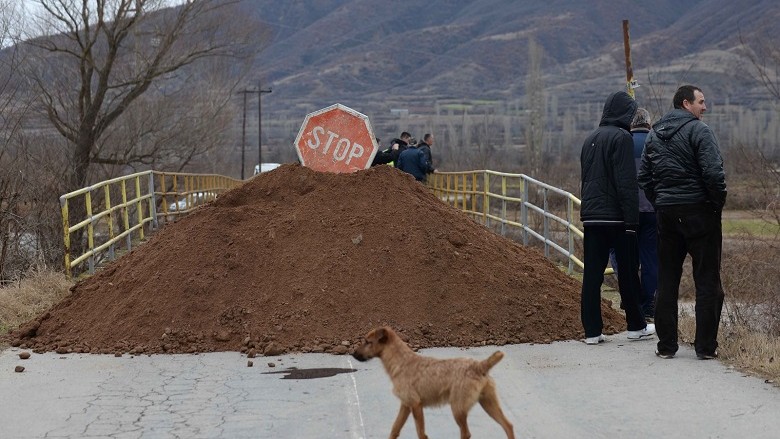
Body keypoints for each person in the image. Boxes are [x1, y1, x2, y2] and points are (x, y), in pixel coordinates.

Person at [638, 85, 727, 360]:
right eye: (701, 101)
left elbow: (645, 179)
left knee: (667, 280)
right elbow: (714, 174)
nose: (705, 107)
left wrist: (661, 202)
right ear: (686, 103)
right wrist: (715, 205)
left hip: (666, 215)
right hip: (700, 213)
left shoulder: (654, 136)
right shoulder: (700, 131)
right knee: (707, 281)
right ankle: (705, 348)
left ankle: (666, 347)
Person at [579, 90, 655, 345]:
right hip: (617, 218)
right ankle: (636, 326)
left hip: (592, 217)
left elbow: (586, 179)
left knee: (592, 275)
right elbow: (625, 182)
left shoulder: (590, 139)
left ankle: (591, 331)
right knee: (628, 273)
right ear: (625, 113)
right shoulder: (622, 138)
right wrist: (632, 220)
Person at [607, 108, 658, 320]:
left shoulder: (621, 143)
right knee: (651, 259)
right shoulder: (658, 143)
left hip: (626, 213)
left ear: (630, 123)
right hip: (654, 211)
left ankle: (631, 298)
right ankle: (648, 304)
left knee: (622, 256)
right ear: (649, 123)